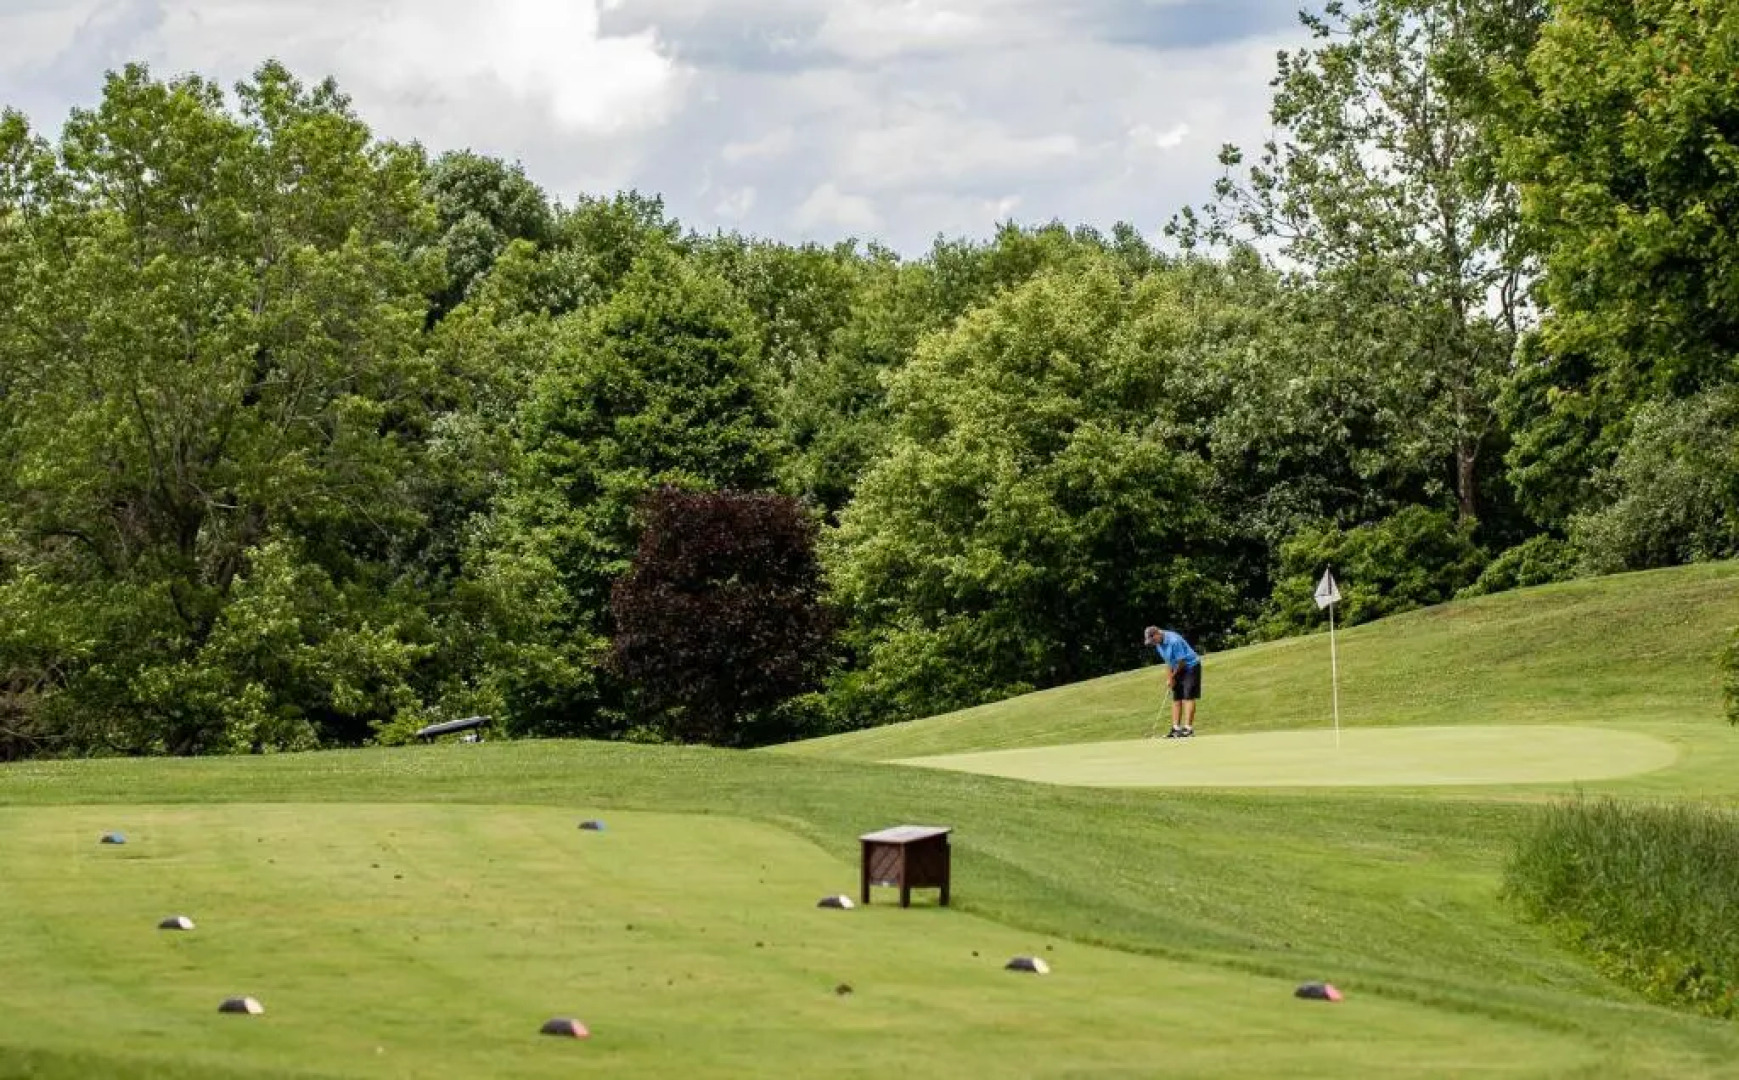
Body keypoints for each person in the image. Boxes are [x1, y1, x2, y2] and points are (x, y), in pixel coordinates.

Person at [1144, 625, 1201, 738]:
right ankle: (1176, 729)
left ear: (1157, 634)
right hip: (1177, 667)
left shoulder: (1174, 641)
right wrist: (1169, 678)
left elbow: (1182, 663)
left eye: (1153, 640)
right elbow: (1168, 662)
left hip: (1190, 666)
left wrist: (1172, 676)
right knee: (1176, 698)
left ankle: (1188, 729)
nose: (1153, 643)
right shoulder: (1158, 644)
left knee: (1188, 696)